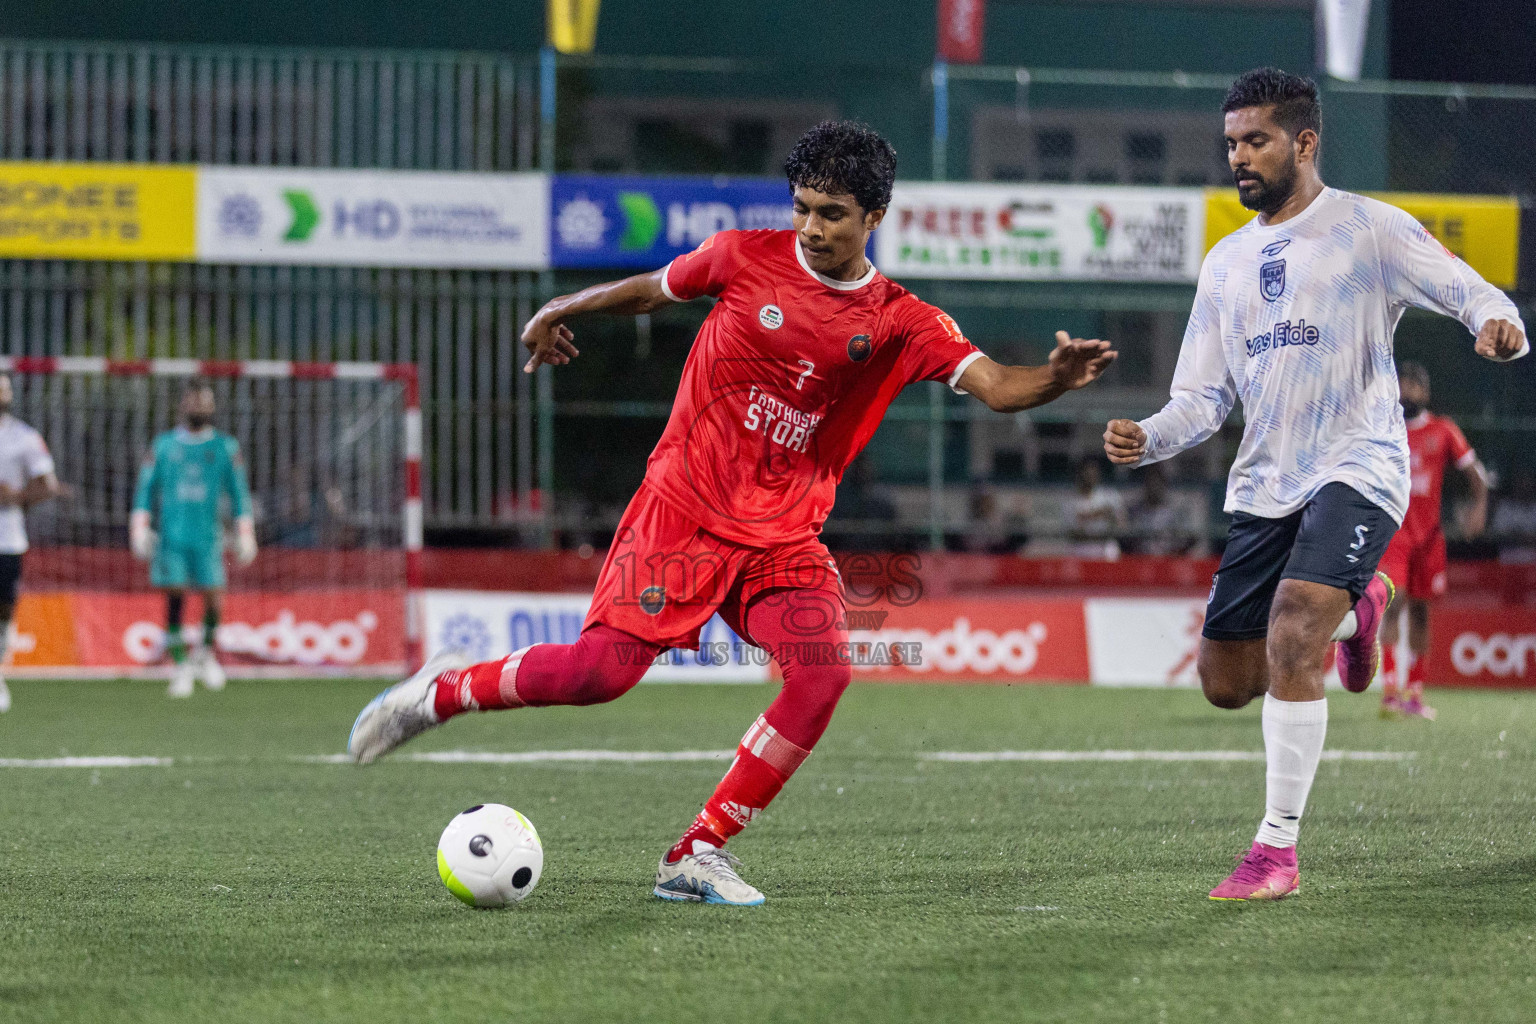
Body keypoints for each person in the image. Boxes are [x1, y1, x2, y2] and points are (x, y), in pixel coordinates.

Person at [349, 120, 1117, 905]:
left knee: (821, 676)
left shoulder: (900, 321)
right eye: (804, 208)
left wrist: (1054, 378)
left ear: (874, 217)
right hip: (681, 511)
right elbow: (653, 288)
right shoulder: (742, 256)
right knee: (597, 677)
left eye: (832, 214)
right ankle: (442, 693)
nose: (812, 228)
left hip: (782, 538)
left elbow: (998, 387)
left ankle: (696, 853)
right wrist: (562, 306)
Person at [1102, 68, 1526, 901]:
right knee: (1228, 683)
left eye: (1254, 141)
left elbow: (1468, 288)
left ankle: (1276, 851)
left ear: (1305, 141)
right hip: (1265, 485)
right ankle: (1362, 611)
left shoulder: (1368, 229)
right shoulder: (1226, 263)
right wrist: (1149, 436)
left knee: (1294, 626)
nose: (1239, 158)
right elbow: (1201, 398)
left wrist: (1495, 324)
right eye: (1230, 144)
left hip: (1359, 466)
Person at [131, 381, 257, 698]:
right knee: (175, 597)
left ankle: (206, 653)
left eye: (205, 401)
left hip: (208, 536)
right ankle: (180, 665)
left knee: (214, 597)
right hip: (173, 536)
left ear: (212, 407)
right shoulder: (163, 445)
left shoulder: (225, 447)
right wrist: (139, 524)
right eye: (193, 400)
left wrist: (245, 530)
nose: (198, 406)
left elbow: (239, 492)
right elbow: (146, 488)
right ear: (182, 405)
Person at [1376, 362, 1487, 720]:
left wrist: (1479, 506)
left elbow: (1475, 474)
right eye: (1401, 385)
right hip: (1394, 533)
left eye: (1412, 385)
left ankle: (1414, 694)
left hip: (1429, 536)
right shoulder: (1385, 430)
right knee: (1394, 604)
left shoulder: (1443, 430)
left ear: (1425, 391)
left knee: (1422, 612)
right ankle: (1391, 692)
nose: (1406, 391)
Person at [0, 373, 61, 712]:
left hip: (6, 537)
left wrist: (16, 497)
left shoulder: (24, 437)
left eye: (4, 387)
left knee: (5, 606)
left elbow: (47, 484)